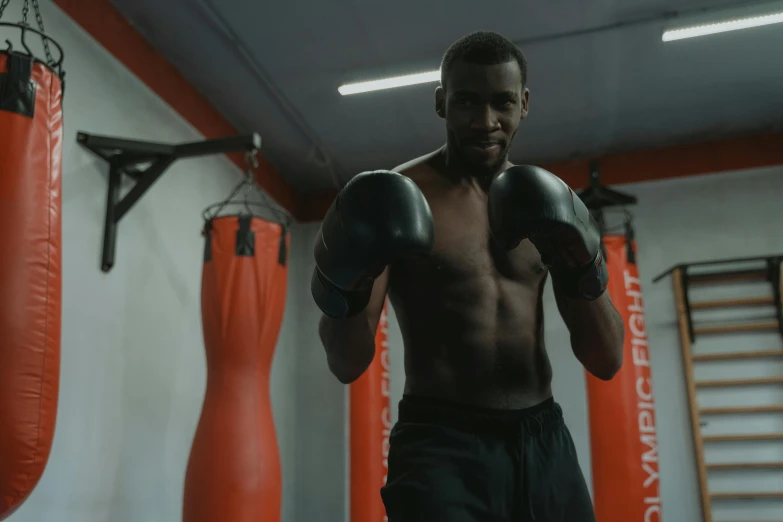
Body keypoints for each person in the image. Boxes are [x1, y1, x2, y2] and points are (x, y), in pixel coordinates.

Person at [311, 31, 625, 522]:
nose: (485, 122)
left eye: (502, 103)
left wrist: (581, 269)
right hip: (442, 445)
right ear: (441, 103)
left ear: (524, 104)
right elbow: (346, 362)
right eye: (466, 103)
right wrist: (348, 282)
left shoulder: (553, 205)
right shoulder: (399, 200)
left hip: (543, 439)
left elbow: (606, 359)